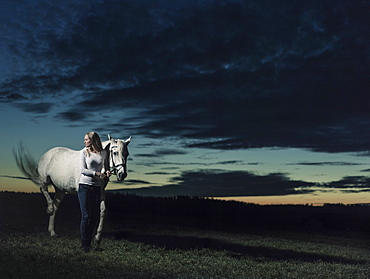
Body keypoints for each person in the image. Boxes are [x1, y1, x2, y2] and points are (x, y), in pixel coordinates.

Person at [78, 132, 111, 252]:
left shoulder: (103, 153)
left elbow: (106, 167)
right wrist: (97, 174)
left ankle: (89, 242)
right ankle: (84, 244)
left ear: (93, 140)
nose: (84, 142)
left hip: (97, 187)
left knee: (95, 216)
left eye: (86, 139)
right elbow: (83, 170)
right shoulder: (84, 152)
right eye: (85, 139)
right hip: (84, 186)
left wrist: (107, 172)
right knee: (86, 215)